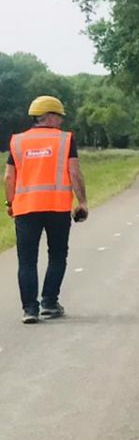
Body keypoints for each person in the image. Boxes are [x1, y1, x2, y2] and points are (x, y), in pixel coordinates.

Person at [5, 95, 88, 323]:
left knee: (27, 260)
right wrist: (82, 202)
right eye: (59, 117)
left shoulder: (18, 141)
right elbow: (74, 172)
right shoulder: (65, 140)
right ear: (50, 116)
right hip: (57, 207)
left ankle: (30, 310)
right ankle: (50, 303)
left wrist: (10, 202)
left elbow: (9, 176)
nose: (61, 121)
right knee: (58, 255)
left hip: (25, 209)